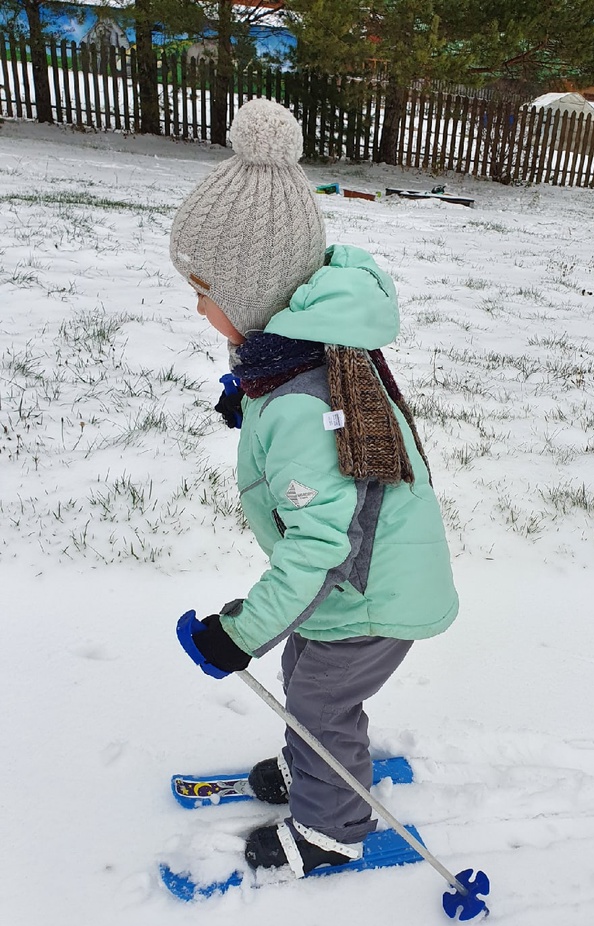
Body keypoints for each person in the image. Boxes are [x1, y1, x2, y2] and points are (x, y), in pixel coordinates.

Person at [169, 98, 458, 878]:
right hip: (362, 578)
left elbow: (320, 548)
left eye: (205, 289)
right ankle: (312, 765)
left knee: (321, 702)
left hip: (366, 592)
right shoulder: (304, 352)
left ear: (252, 291)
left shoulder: (302, 402)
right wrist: (250, 400)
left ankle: (332, 830)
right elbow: (307, 413)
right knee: (307, 678)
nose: (196, 305)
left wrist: (238, 636)